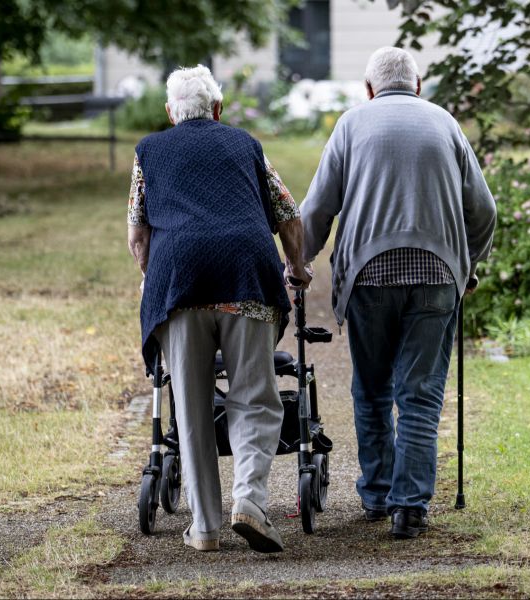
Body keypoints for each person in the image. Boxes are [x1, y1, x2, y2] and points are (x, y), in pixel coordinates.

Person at [299, 47, 496, 539]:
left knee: (371, 389)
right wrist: (466, 268)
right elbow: (484, 210)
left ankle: (378, 493)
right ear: (419, 85)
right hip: (436, 273)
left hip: (368, 276)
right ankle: (409, 508)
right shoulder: (446, 124)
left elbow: (318, 208)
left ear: (369, 89)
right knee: (420, 394)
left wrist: (296, 261)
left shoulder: (351, 124)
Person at [126, 65, 311, 553]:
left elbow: (138, 233)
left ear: (170, 113)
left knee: (188, 407)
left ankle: (204, 527)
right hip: (245, 274)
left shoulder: (149, 150)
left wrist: (151, 277)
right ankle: (249, 501)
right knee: (253, 396)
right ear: (218, 109)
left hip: (178, 283)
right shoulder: (245, 145)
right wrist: (297, 268)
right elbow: (288, 213)